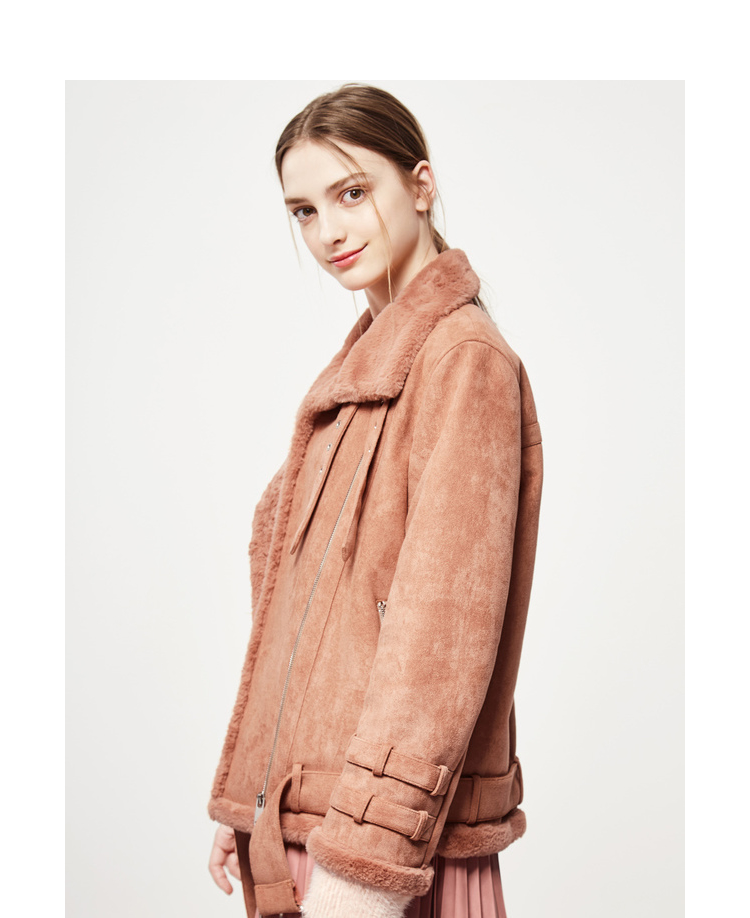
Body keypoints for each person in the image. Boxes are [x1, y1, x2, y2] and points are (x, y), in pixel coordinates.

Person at [207, 83, 544, 918]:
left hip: (380, 859)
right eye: (304, 211)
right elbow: (310, 625)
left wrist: (364, 871)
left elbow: (440, 637)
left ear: (421, 185)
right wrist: (253, 798)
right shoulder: (363, 372)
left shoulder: (461, 359)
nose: (328, 231)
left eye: (351, 193)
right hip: (313, 831)